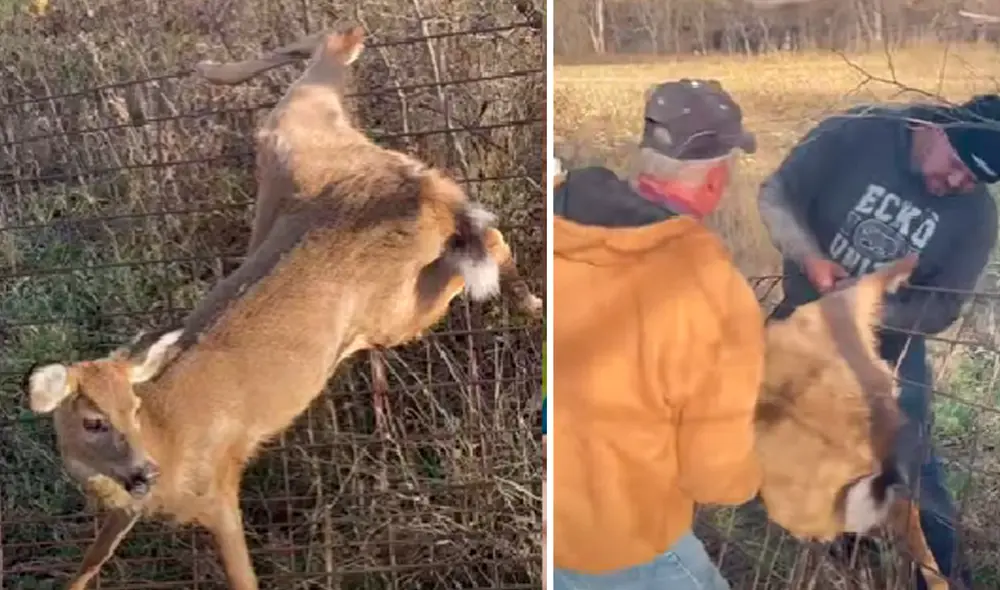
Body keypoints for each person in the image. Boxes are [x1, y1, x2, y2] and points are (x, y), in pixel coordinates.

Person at [758, 96, 1000, 589]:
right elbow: (776, 194)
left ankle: (945, 580)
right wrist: (809, 257)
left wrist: (870, 310)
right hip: (802, 326)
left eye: (973, 181)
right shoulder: (857, 133)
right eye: (956, 166)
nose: (958, 183)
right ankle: (854, 559)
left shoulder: (976, 218)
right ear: (935, 129)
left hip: (888, 350)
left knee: (914, 475)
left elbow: (941, 308)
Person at [552, 79, 764, 590]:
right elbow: (714, 476)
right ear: (715, 180)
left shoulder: (553, 221)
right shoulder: (710, 289)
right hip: (621, 541)